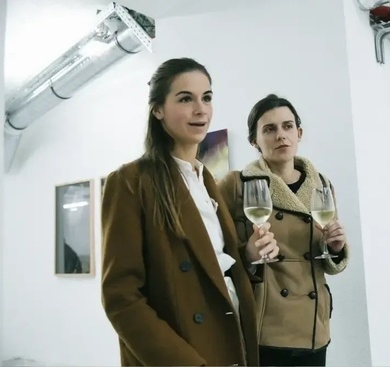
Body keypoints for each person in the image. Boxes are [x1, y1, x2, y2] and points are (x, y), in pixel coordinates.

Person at [101, 58, 279, 367]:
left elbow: (210, 267)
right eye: (186, 99)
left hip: (232, 341)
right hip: (185, 353)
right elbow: (121, 297)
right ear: (158, 109)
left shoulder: (206, 179)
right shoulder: (131, 182)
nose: (201, 109)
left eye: (207, 97)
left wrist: (247, 255)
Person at [218, 94, 350, 367]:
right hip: (266, 330)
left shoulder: (322, 185)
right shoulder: (236, 186)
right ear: (254, 140)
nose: (281, 135)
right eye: (269, 129)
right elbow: (214, 256)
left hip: (315, 328)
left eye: (288, 126)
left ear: (299, 133)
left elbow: (322, 260)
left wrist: (335, 249)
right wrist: (248, 255)